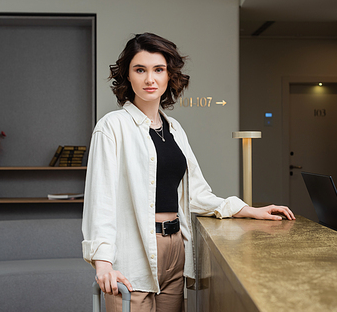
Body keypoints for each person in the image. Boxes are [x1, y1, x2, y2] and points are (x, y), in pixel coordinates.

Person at [82, 32, 295, 312]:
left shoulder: (175, 129)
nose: (150, 79)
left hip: (175, 250)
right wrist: (103, 263)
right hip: (132, 253)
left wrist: (248, 210)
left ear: (169, 76)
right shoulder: (112, 127)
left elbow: (196, 193)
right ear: (127, 76)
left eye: (158, 70)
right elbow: (101, 200)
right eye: (140, 70)